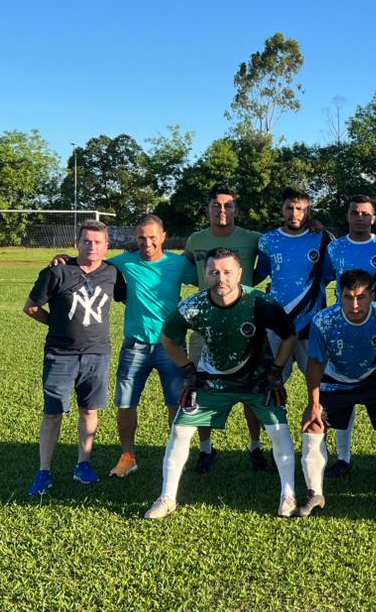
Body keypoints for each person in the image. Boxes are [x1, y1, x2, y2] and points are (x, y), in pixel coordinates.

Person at [144, 247, 299, 519]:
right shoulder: (194, 306)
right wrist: (188, 370)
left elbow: (289, 335)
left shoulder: (259, 302)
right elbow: (168, 337)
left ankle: (288, 495)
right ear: (205, 274)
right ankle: (167, 497)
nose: (221, 278)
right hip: (211, 383)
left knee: (279, 430)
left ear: (240, 274)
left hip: (257, 383)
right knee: (180, 431)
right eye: (214, 272)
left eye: (228, 272)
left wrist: (275, 371)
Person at [23, 220, 124, 495]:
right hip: (60, 355)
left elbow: (127, 297)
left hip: (98, 354)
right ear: (76, 244)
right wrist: (57, 324)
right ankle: (44, 472)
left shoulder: (113, 273)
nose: (92, 246)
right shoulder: (57, 272)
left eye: (98, 242)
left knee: (89, 410)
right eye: (86, 241)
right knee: (53, 412)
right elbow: (31, 308)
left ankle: (83, 465)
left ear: (106, 246)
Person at [299, 270, 376, 517]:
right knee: (313, 425)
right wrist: (313, 403)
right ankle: (315, 494)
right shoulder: (323, 321)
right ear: (339, 295)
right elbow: (315, 363)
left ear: (372, 296)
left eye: (361, 297)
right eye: (348, 297)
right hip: (335, 382)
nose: (355, 305)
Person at [182, 183, 267, 474]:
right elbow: (182, 267)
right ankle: (207, 449)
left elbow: (276, 252)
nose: (222, 210)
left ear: (236, 210)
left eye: (228, 205)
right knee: (200, 385)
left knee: (251, 389)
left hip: (246, 326)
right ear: (207, 209)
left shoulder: (253, 238)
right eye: (216, 205)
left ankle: (255, 447)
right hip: (204, 325)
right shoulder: (195, 240)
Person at [107, 214, 198, 478]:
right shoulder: (126, 261)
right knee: (125, 403)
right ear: (135, 239)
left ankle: (175, 456)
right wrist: (64, 259)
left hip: (171, 346)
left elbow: (207, 278)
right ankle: (127, 457)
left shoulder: (178, 264)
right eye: (141, 238)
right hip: (134, 345)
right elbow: (93, 264)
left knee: (176, 404)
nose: (147, 243)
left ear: (163, 237)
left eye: (152, 237)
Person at [325, 195, 376, 477]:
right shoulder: (334, 247)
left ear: (374, 218)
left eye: (365, 213)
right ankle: (343, 458)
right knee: (344, 389)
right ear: (347, 216)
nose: (360, 218)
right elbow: (323, 279)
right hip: (342, 327)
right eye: (355, 212)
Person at [256, 186, 335, 382]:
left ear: (308, 212)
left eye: (300, 209)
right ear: (282, 210)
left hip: (312, 320)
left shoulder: (323, 239)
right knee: (272, 381)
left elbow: (331, 274)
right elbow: (261, 273)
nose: (294, 213)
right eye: (289, 208)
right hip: (278, 319)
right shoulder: (268, 240)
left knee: (319, 382)